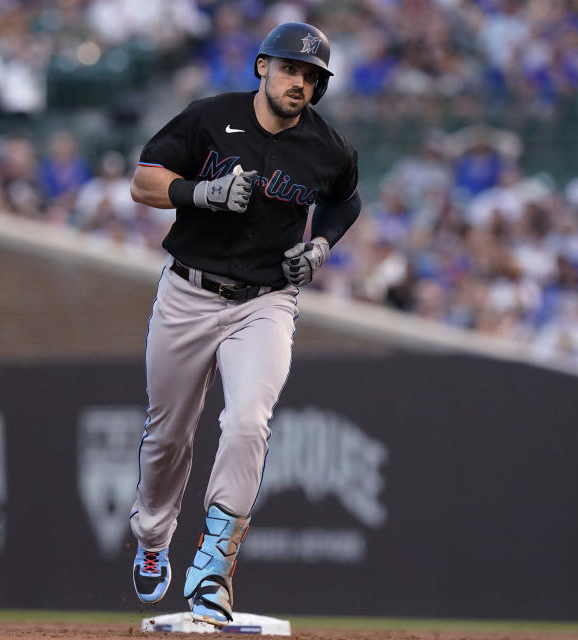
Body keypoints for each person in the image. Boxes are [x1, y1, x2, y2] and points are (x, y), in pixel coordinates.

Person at [127, 22, 361, 626]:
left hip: (267, 300)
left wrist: (323, 244)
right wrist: (199, 193)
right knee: (168, 436)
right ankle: (154, 540)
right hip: (188, 290)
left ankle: (213, 567)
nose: (300, 83)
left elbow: (346, 198)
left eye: (312, 77)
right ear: (262, 66)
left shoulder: (327, 147)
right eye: (290, 69)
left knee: (248, 422)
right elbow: (143, 181)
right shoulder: (210, 117)